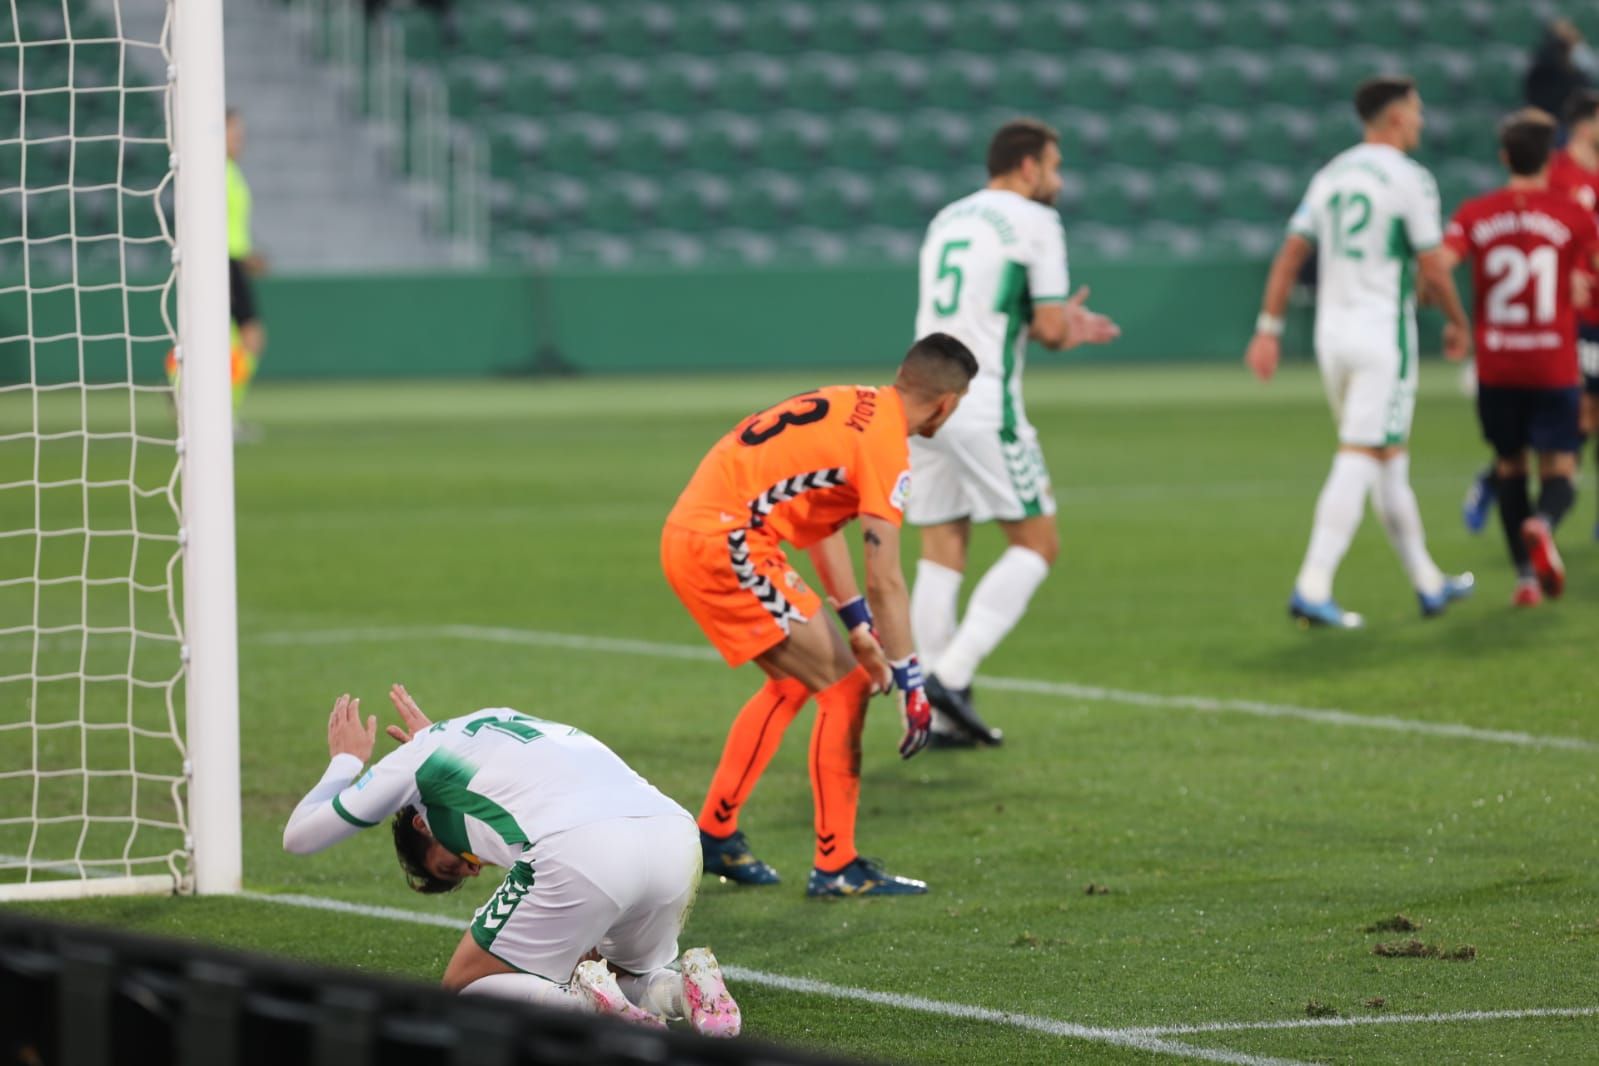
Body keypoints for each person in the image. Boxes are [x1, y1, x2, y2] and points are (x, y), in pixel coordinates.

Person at [662, 334, 978, 896]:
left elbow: (818, 526)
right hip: (728, 543)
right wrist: (911, 679)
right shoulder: (887, 446)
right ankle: (836, 866)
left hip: (701, 532)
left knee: (794, 683)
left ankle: (714, 834)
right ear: (948, 403)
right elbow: (886, 578)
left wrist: (856, 626)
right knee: (846, 690)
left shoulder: (852, 405)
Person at [282, 686, 741, 1036]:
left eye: (452, 863)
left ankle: (586, 1008)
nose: (475, 865)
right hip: (676, 836)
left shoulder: (415, 763)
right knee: (626, 972)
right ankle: (684, 990)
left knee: (464, 989)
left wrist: (345, 762)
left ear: (422, 825)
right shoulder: (487, 724)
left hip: (581, 845)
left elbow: (299, 838)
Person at [905, 119, 1121, 748]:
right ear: (1026, 167)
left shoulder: (948, 218)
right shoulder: (1036, 221)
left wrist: (1035, 317)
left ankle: (935, 714)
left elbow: (984, 304)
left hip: (919, 396)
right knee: (1037, 544)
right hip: (979, 396)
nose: (1056, 180)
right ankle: (953, 673)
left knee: (942, 545)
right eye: (1053, 167)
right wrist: (1062, 325)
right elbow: (1051, 329)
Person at [1246, 75, 1475, 627]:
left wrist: (1269, 328)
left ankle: (1427, 582)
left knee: (1387, 457)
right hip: (1381, 336)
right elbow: (1433, 266)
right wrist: (1458, 323)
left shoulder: (1333, 173)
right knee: (1360, 456)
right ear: (1396, 118)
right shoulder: (1410, 179)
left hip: (1332, 337)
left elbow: (1289, 255)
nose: (1420, 122)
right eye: (1416, 113)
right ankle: (1312, 584)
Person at [1440, 109, 1599, 605]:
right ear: (1549, 161)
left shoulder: (1475, 212)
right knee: (1562, 467)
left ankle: (1526, 580)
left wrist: (1454, 318)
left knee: (1510, 466)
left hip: (1497, 364)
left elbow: (1439, 266)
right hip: (1553, 363)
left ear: (1504, 157)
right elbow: (1587, 276)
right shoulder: (1572, 214)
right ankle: (1543, 522)